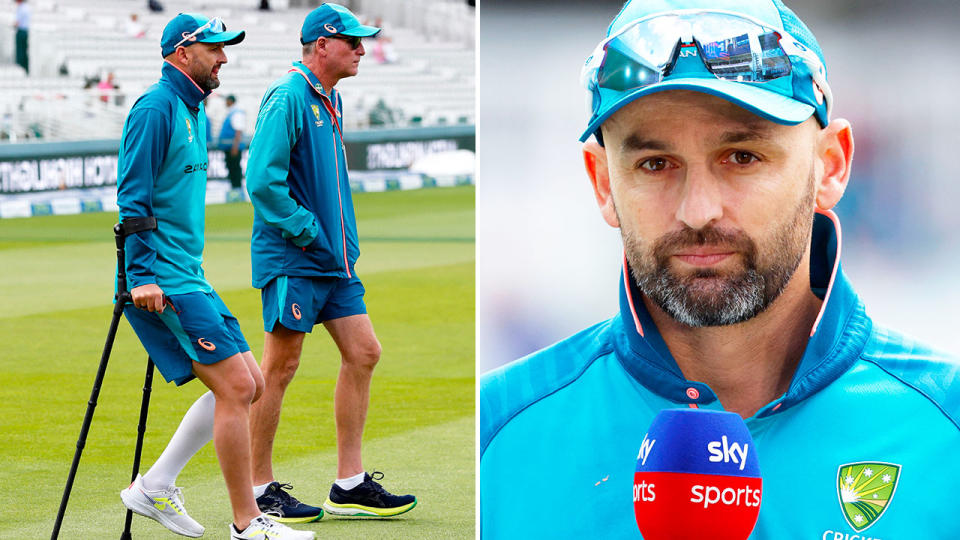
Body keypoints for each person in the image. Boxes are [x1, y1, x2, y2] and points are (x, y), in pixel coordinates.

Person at [479, 0, 960, 538]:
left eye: (742, 157)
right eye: (655, 164)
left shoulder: (947, 423)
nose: (698, 210)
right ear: (604, 184)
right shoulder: (492, 432)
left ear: (831, 165)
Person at [114, 13, 314, 540]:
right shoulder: (156, 108)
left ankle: (155, 485)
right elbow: (132, 199)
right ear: (182, 52)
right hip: (162, 277)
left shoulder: (193, 108)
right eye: (214, 49)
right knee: (235, 387)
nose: (223, 57)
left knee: (250, 384)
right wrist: (141, 275)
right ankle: (247, 523)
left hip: (189, 275)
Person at [244, 2, 416, 522]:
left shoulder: (328, 98)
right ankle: (256, 487)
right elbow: (260, 182)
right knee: (279, 367)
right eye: (353, 41)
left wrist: (338, 242)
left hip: (333, 262)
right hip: (294, 258)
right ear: (322, 44)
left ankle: (349, 483)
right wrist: (306, 229)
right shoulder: (288, 96)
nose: (362, 49)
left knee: (364, 352)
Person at [218, 94, 245, 189]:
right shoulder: (232, 112)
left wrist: (235, 147)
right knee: (232, 168)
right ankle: (235, 188)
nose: (225, 103)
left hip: (233, 148)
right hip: (230, 147)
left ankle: (237, 189)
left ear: (230, 101)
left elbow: (238, 131)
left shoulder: (236, 113)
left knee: (235, 169)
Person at [13, 0, 29, 74]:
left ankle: (21, 69)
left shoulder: (21, 8)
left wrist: (13, 26)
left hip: (21, 31)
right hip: (26, 32)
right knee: (25, 51)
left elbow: (17, 23)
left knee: (20, 52)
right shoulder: (27, 7)